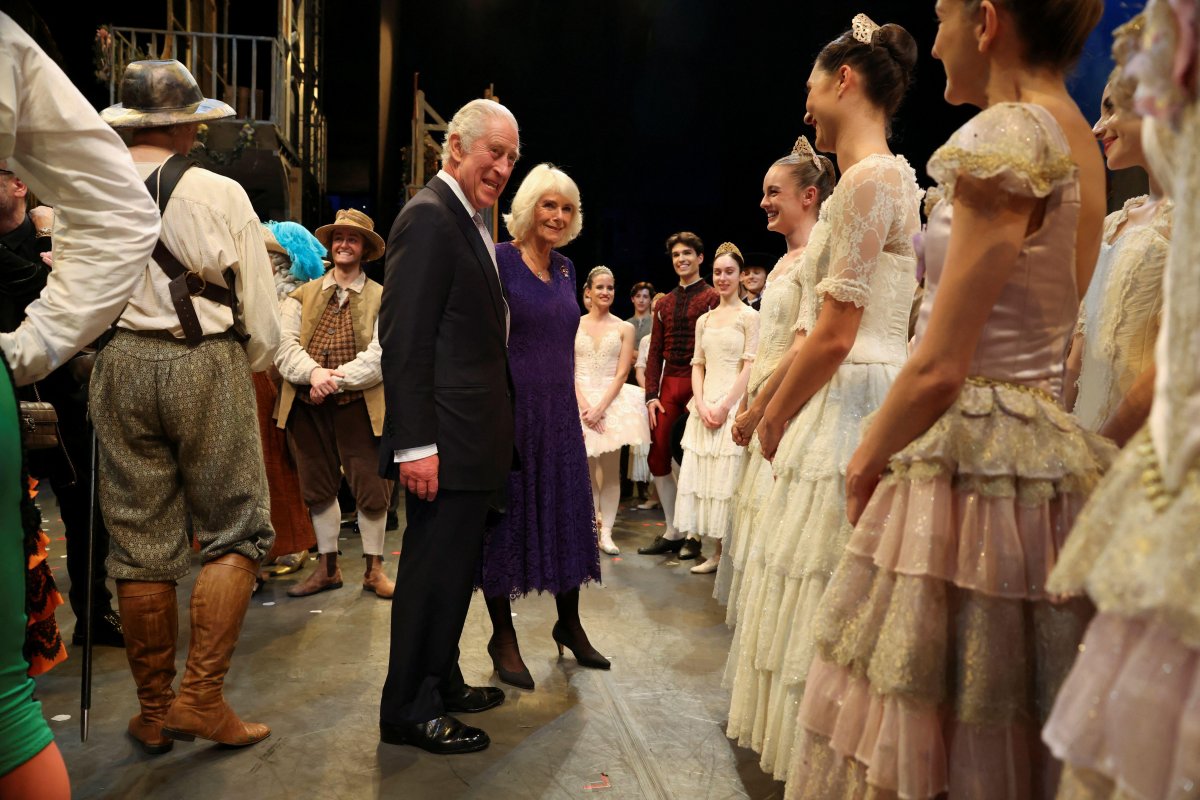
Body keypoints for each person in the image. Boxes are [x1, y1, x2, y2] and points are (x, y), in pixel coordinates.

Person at [786, 2, 1112, 797]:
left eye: (941, 20)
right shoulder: (1074, 133)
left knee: (930, 700)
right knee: (1002, 706)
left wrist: (867, 459)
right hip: (1043, 444)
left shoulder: (1011, 133)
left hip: (973, 443)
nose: (932, 44)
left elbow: (941, 361)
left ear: (987, 22)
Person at [724, 14, 924, 781]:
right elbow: (813, 329)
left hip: (856, 393)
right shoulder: (863, 183)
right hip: (835, 388)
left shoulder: (875, 178)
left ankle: (839, 763)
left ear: (845, 80)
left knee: (830, 581)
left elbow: (839, 333)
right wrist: (768, 406)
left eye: (813, 83)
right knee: (804, 574)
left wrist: (772, 416)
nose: (806, 102)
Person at [93, 59, 281, 754]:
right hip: (204, 361)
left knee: (139, 543)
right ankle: (200, 699)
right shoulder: (220, 192)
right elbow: (259, 313)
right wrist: (251, 360)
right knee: (237, 529)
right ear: (184, 123)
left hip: (119, 364)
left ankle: (154, 709)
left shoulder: (96, 192)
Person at [1042, 4, 1200, 798]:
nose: (1104, 125)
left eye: (1116, 105)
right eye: (1098, 108)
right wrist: (1066, 426)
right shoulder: (1119, 221)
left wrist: (1106, 441)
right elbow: (1080, 339)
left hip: (1134, 440)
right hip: (1089, 431)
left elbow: (1168, 358)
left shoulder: (1182, 228)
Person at [0, 12, 159, 795]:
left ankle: (104, 626)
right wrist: (28, 349)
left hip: (80, 379)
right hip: (72, 373)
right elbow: (124, 217)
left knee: (99, 509)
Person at [378, 98, 518, 755]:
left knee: (453, 573)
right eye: (495, 151)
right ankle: (411, 708)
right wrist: (416, 443)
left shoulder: (465, 220)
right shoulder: (431, 217)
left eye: (512, 157)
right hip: (445, 443)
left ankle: (443, 679)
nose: (503, 166)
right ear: (455, 147)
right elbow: (404, 340)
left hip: (469, 443)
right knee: (432, 577)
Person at [478, 164, 609, 691]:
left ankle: (569, 622)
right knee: (503, 524)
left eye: (567, 208)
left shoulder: (567, 271)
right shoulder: (499, 259)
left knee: (566, 515)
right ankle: (501, 636)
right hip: (511, 411)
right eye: (548, 205)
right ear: (529, 207)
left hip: (558, 413)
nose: (557, 216)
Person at [0, 162, 125, 647]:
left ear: (17, 185)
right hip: (6, 399)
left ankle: (94, 612)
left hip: (63, 395)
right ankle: (19, 625)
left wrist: (52, 247)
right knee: (12, 515)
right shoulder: (44, 241)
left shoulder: (55, 238)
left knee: (84, 507)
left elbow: (78, 302)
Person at [717, 137, 834, 613]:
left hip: (790, 406)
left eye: (773, 192)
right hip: (763, 400)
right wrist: (748, 403)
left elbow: (805, 343)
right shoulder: (785, 261)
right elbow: (769, 344)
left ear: (808, 196)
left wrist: (764, 409)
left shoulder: (814, 258)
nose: (763, 202)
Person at [275, 208, 394, 599]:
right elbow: (284, 346)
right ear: (331, 244)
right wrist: (314, 375)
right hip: (308, 405)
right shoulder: (301, 295)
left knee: (372, 486)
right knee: (318, 485)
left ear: (364, 249)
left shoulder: (381, 297)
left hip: (359, 404)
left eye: (353, 239)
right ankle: (327, 569)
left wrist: (335, 379)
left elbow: (381, 355)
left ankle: (374, 570)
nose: (345, 244)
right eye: (339, 237)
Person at [1062, 69, 1172, 445]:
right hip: (1083, 447)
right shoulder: (1113, 225)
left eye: (1111, 110)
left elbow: (1173, 365)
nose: (1097, 128)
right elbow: (1078, 358)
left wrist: (1104, 452)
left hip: (1140, 455)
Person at [673, 243, 758, 574]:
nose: (723, 278)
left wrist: (724, 406)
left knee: (729, 480)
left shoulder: (750, 317)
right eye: (718, 272)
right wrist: (703, 402)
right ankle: (715, 551)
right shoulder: (705, 320)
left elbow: (750, 365)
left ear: (740, 276)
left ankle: (729, 553)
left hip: (734, 403)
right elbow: (697, 364)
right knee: (707, 479)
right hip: (705, 403)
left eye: (730, 272)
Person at [638, 232, 719, 559]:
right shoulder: (665, 303)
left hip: (700, 383)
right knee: (657, 455)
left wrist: (704, 392)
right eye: (676, 255)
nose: (681, 259)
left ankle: (695, 534)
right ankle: (673, 529)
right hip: (670, 383)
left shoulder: (712, 297)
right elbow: (655, 351)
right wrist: (650, 395)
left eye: (687, 253)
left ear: (701, 258)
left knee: (692, 459)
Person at [255, 221, 324, 581]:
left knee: (287, 466)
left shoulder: (293, 294)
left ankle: (296, 542)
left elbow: (286, 345)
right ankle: (277, 542)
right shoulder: (263, 291)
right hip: (265, 386)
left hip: (284, 388)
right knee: (271, 469)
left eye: (269, 255)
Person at [576, 265, 651, 556]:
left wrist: (600, 408)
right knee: (584, 470)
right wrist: (586, 407)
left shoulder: (624, 327)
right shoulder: (574, 323)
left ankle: (606, 531)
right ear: (589, 292)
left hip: (611, 400)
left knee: (609, 470)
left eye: (610, 288)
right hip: (579, 401)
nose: (605, 292)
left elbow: (622, 373)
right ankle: (587, 527)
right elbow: (567, 370)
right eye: (600, 287)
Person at [626, 281, 654, 349]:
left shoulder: (656, 322)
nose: (641, 300)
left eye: (645, 296)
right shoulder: (626, 324)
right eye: (638, 296)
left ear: (651, 300)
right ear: (633, 299)